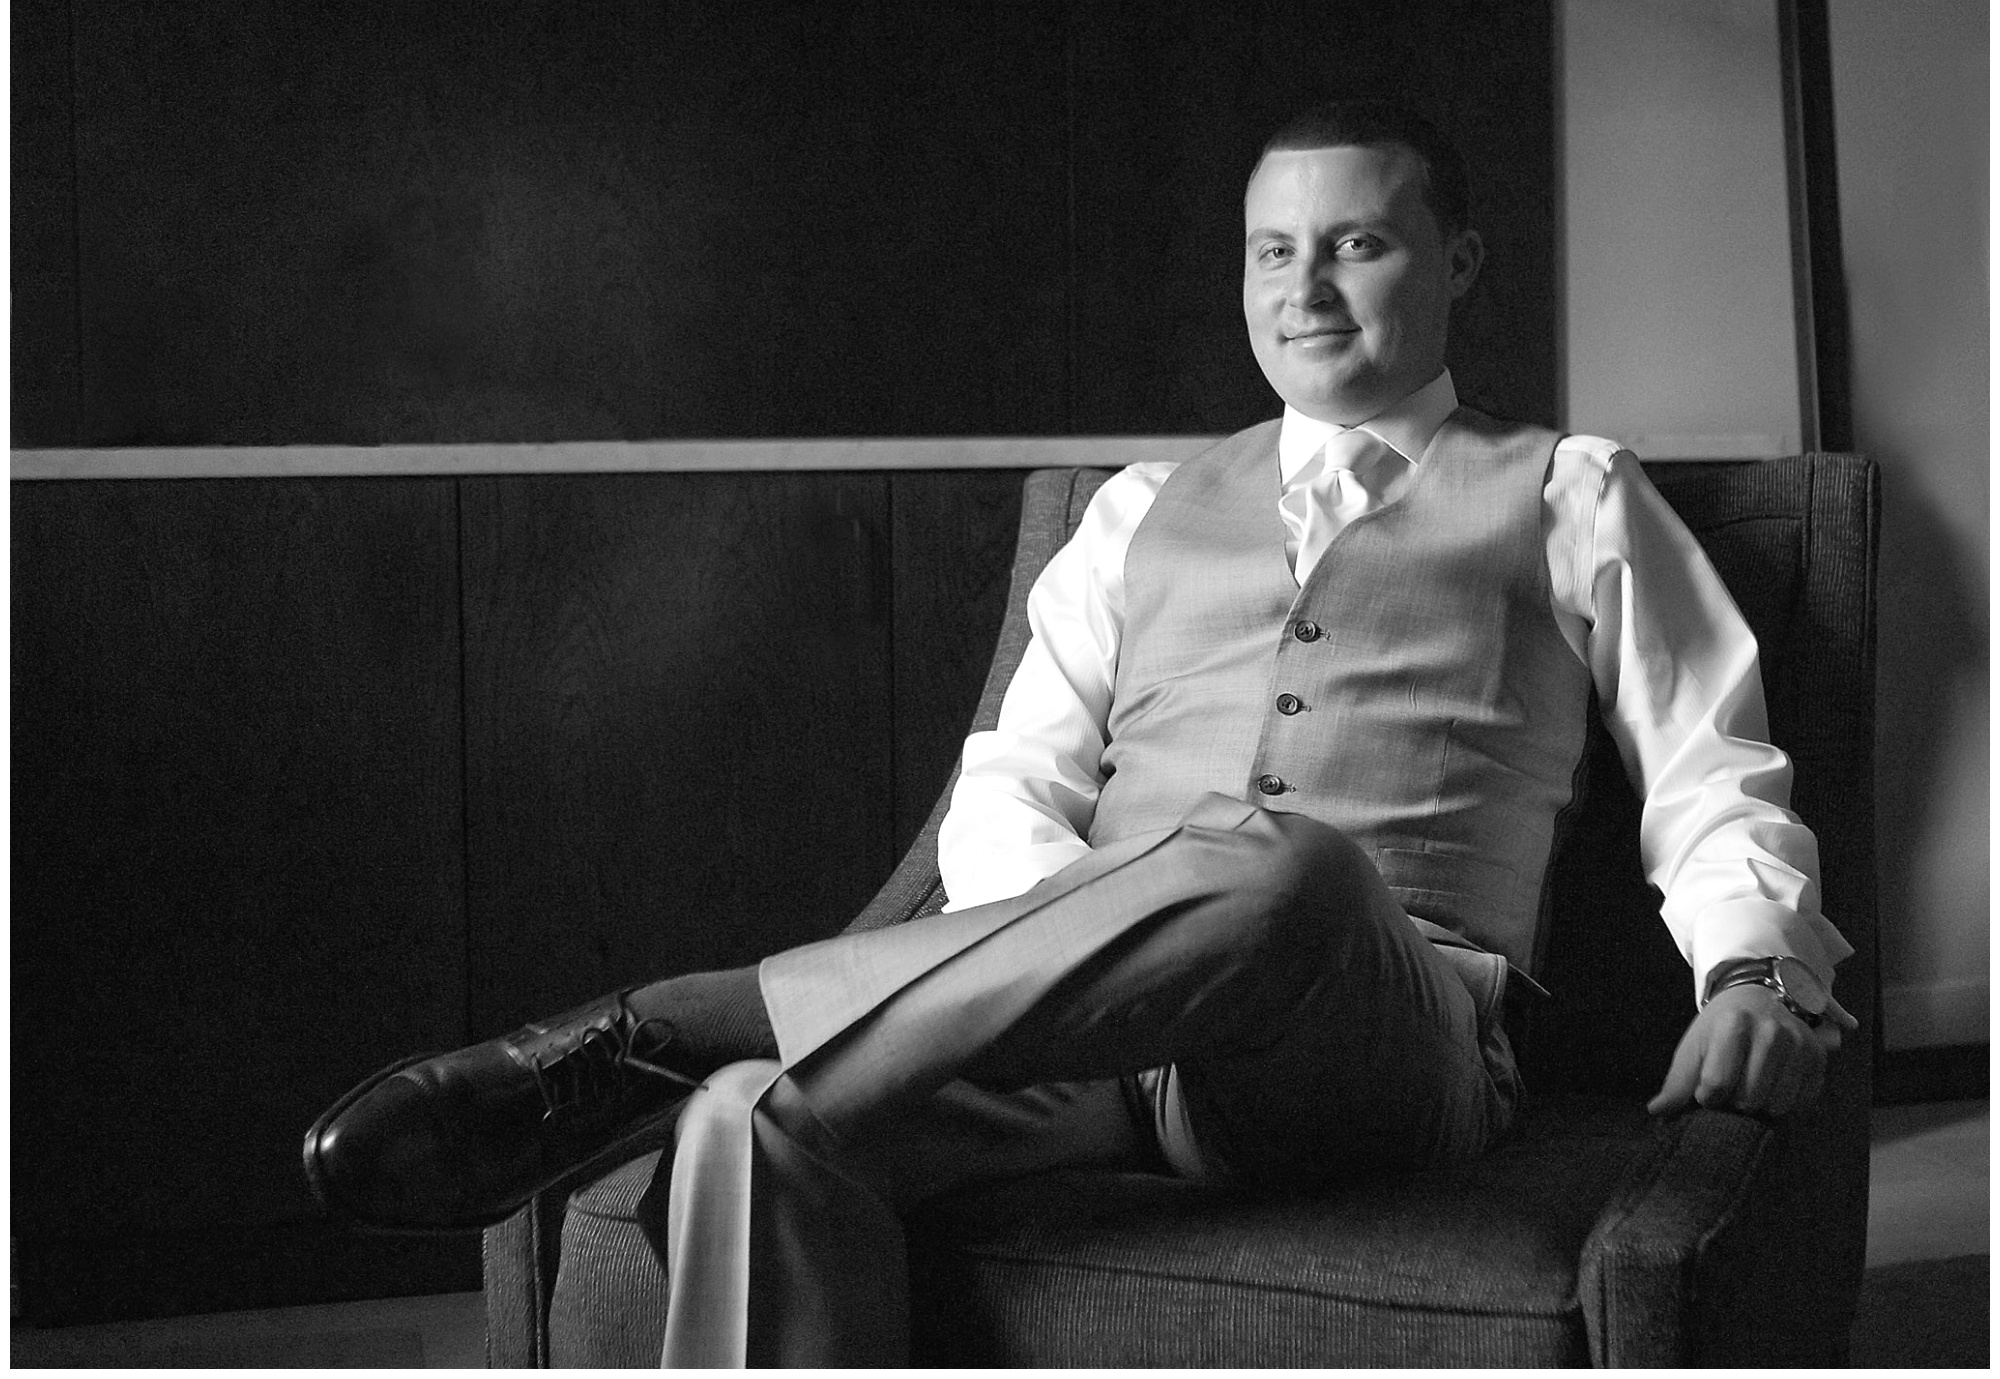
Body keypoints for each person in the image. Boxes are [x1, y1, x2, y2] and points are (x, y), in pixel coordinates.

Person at [304, 99, 1857, 1365]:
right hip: (1094, 1053)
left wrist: (1758, 971)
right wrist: (1065, 981)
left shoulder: (1572, 489)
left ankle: (671, 1014)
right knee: (758, 1120)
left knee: (1286, 872)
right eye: (1269, 252)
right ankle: (708, 1061)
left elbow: (1714, 765)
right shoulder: (1135, 509)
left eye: (1357, 244)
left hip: (1390, 1037)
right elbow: (1012, 793)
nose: (1302, 288)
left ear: (1458, 260)